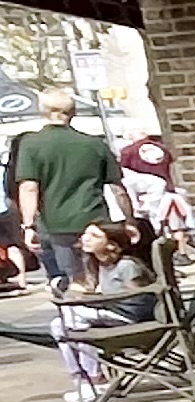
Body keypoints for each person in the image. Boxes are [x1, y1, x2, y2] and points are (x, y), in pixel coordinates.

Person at [12, 90, 127, 290]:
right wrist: (129, 220)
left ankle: (84, 302)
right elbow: (117, 188)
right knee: (104, 274)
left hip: (58, 223)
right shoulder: (94, 144)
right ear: (73, 112)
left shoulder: (31, 144)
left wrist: (29, 226)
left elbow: (29, 187)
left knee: (76, 278)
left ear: (43, 111)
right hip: (97, 220)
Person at [48, 221, 155, 402]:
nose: (86, 238)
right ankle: (82, 379)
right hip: (110, 314)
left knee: (71, 315)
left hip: (129, 318)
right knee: (58, 325)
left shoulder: (126, 265)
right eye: (85, 234)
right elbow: (86, 289)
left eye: (94, 235)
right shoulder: (97, 264)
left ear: (112, 244)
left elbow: (141, 298)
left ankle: (94, 379)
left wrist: (99, 300)